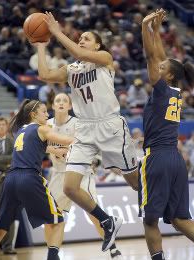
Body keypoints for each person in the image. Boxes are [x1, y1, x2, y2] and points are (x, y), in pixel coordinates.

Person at [34, 11, 138, 252]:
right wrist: (41, 45)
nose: (81, 40)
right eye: (79, 38)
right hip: (85, 128)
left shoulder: (104, 57)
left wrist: (58, 31)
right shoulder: (72, 69)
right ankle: (107, 220)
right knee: (70, 187)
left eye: (86, 38)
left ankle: (158, 204)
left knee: (134, 182)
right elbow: (45, 75)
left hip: (110, 125)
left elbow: (80, 53)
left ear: (98, 44)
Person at [139, 9, 194, 260]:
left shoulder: (161, 90)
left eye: (161, 68)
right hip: (176, 160)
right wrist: (156, 30)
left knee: (150, 220)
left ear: (167, 74)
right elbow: (161, 57)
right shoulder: (175, 91)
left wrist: (144, 26)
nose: (157, 67)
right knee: (180, 219)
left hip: (158, 158)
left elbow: (152, 55)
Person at [0, 99, 73, 260]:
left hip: (10, 180)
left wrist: (62, 151)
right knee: (57, 221)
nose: (47, 114)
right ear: (33, 115)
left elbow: (49, 148)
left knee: (0, 229)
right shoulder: (42, 128)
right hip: (29, 178)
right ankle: (52, 257)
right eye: (44, 112)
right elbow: (66, 140)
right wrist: (89, 141)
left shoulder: (21, 131)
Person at [47, 92, 123, 259]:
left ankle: (113, 248)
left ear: (70, 106)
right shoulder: (46, 125)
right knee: (52, 216)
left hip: (79, 172)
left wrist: (59, 150)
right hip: (58, 173)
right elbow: (40, 145)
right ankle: (52, 253)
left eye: (64, 100)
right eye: (57, 100)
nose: (60, 103)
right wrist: (52, 149)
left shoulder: (77, 124)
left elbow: (85, 148)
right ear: (52, 106)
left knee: (92, 212)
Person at [0, 116, 18, 255]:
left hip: (8, 183)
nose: (1, 127)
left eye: (3, 124)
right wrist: (5, 162)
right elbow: (8, 160)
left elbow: (14, 159)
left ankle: (8, 247)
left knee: (8, 216)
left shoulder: (12, 141)